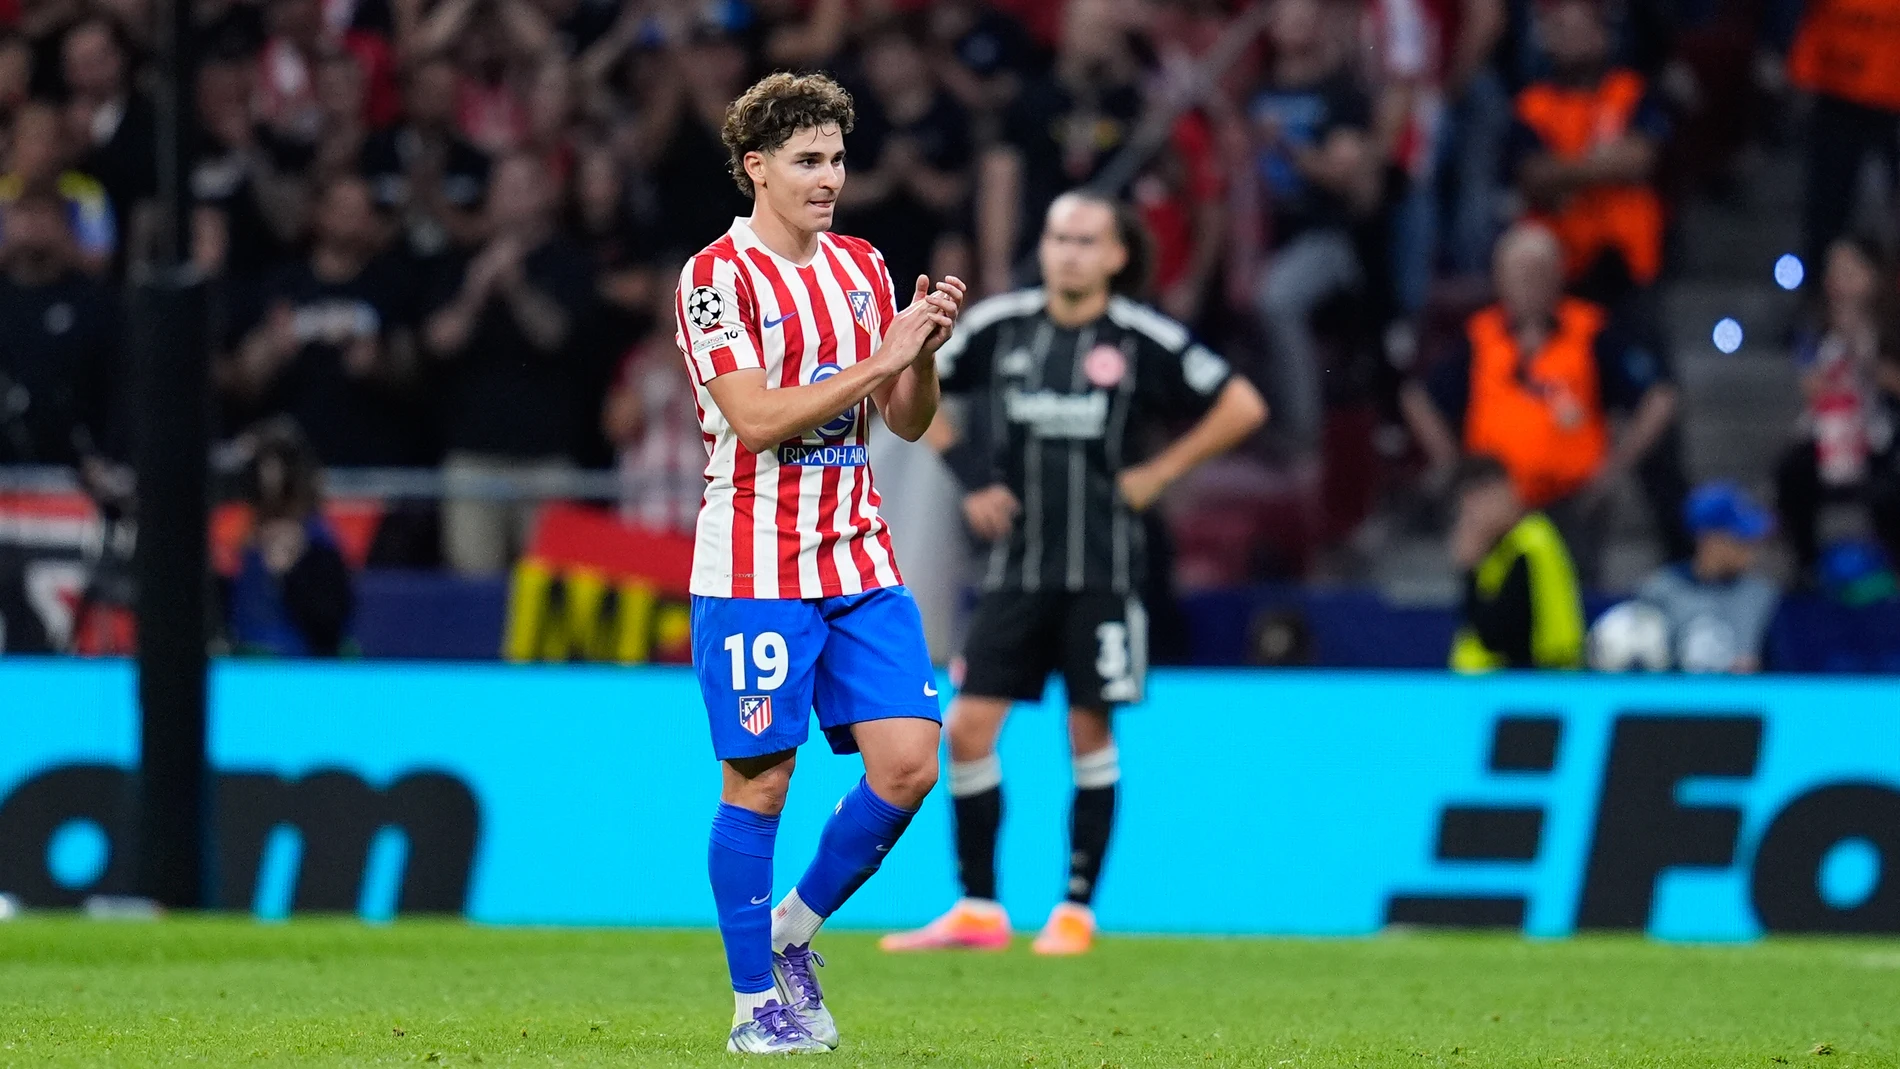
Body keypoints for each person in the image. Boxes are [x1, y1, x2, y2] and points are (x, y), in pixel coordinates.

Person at [880, 191, 1267, 956]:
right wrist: (969, 475)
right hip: (1017, 570)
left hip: (1105, 572)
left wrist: (1160, 472)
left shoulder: (1139, 336)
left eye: (1087, 241)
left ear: (1118, 254)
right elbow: (910, 385)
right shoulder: (1002, 326)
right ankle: (980, 909)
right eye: (1058, 237)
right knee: (966, 728)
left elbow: (1243, 403)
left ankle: (1075, 909)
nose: (1069, 253)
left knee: (1086, 727)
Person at [674, 72, 966, 1055]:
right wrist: (883, 359)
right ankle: (755, 1003)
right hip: (755, 565)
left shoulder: (862, 265)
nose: (829, 177)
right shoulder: (717, 277)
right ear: (756, 167)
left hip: (860, 558)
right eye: (807, 160)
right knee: (758, 784)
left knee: (911, 762)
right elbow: (754, 420)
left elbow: (909, 423)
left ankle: (792, 928)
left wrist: (919, 351)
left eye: (837, 158)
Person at [1400, 223, 1678, 584]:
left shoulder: (1588, 330)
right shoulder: (1480, 336)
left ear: (1558, 274)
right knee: (1494, 603)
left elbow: (1658, 397)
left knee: (1570, 601)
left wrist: (1612, 470)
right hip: (1494, 503)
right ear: (1499, 277)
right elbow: (1418, 397)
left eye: (1538, 271)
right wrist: (1453, 467)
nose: (1528, 282)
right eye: (1518, 272)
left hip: (1570, 504)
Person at [423, 151, 593, 575]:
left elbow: (555, 336)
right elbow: (438, 343)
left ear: (544, 195)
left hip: (546, 459)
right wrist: (475, 292)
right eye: (504, 188)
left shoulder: (568, 262)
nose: (512, 198)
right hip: (473, 458)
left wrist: (516, 287)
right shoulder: (458, 261)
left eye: (523, 187)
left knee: (550, 588)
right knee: (473, 585)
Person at [1245, 0, 1380, 453]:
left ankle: (1303, 435)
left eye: (1305, 14)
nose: (1295, 23)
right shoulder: (1256, 90)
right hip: (1260, 235)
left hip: (1326, 238)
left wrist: (1284, 146)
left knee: (1275, 299)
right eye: (1286, 13)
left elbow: (1344, 176)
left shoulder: (1341, 95)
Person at [222, 175, 421, 467]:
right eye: (342, 208)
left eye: (360, 210)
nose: (351, 219)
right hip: (293, 461)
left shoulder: (390, 285)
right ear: (319, 213)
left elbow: (416, 375)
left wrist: (378, 365)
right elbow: (246, 379)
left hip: (369, 461)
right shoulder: (282, 285)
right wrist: (273, 347)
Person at [1506, 0, 1667, 306]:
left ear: (1603, 34)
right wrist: (1603, 163)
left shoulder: (1630, 90)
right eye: (1561, 30)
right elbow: (1532, 175)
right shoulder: (1532, 104)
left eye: (1581, 29)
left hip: (1630, 262)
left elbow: (1640, 160)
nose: (1571, 40)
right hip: (1560, 266)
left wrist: (1564, 172)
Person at [1773, 236, 1900, 578]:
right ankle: (1807, 567)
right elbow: (1811, 384)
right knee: (1792, 469)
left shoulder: (1891, 325)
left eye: (1848, 270)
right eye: (1833, 271)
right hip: (1829, 433)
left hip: (1881, 434)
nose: (1837, 279)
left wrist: (1866, 356)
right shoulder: (1815, 325)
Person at [0, 188, 119, 466]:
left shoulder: (96, 302)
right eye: (22, 214)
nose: (31, 226)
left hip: (76, 466)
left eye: (43, 215)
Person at [225, 420, 356, 657]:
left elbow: (331, 623)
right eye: (262, 464)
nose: (269, 476)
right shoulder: (239, 536)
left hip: (299, 664)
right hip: (242, 662)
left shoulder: (319, 542)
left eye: (278, 463)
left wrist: (291, 572)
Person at [1448, 453, 1585, 671]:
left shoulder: (1530, 544)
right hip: (1504, 689)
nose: (1470, 516)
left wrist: (1470, 572)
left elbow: (1499, 637)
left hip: (1536, 688)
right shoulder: (1499, 548)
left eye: (1477, 503)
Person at [1638, 483, 1780, 674]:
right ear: (1708, 538)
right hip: (1677, 701)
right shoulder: (1661, 592)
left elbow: (1782, 674)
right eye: (1740, 539)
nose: (1750, 550)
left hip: (1743, 701)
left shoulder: (1760, 596)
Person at [0, 101, 115, 274]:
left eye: (49, 139)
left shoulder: (86, 193)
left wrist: (59, 242)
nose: (42, 150)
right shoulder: (2, 195)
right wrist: (14, 243)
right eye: (33, 139)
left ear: (62, 147)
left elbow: (101, 263)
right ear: (15, 143)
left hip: (69, 291)